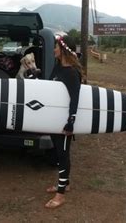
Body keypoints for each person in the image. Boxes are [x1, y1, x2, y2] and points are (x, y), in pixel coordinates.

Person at [45, 35, 84, 209]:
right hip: (54, 118)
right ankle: (64, 184)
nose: (53, 50)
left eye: (56, 47)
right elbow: (51, 88)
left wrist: (71, 122)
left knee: (63, 155)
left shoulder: (71, 73)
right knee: (58, 152)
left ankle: (60, 195)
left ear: (63, 49)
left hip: (65, 121)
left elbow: (75, 99)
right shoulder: (58, 67)